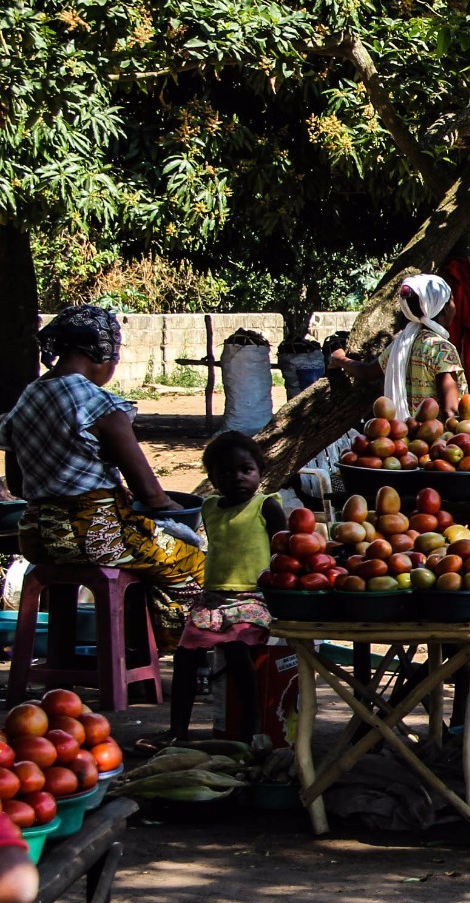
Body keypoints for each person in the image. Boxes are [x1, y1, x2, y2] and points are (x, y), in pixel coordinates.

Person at [0, 306, 204, 641]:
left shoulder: (30, 396)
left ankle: (109, 655)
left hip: (37, 537)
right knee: (196, 566)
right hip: (94, 537)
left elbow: (14, 459)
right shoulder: (100, 405)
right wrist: (177, 514)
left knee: (149, 558)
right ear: (102, 353)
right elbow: (150, 494)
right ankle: (170, 654)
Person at [159, 431, 286, 745]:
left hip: (254, 598)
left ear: (260, 471)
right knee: (186, 655)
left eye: (246, 470)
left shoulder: (266, 506)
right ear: (212, 478)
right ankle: (177, 732)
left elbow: (284, 549)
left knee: (235, 647)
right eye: (226, 472)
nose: (238, 477)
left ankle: (250, 727)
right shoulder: (210, 508)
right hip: (213, 598)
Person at [327, 273, 466, 420]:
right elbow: (450, 412)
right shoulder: (441, 350)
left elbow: (367, 372)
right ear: (443, 309)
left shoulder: (401, 343)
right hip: (433, 439)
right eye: (452, 300)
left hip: (403, 436)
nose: (454, 305)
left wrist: (339, 358)